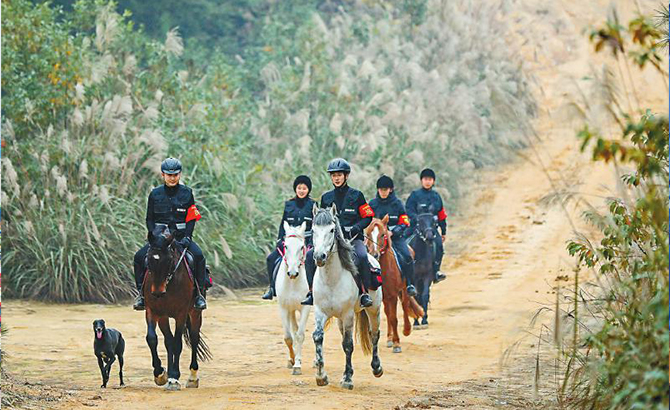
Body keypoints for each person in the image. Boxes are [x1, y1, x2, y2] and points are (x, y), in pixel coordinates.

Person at [132, 158, 208, 311]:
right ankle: (141, 295)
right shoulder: (155, 194)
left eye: (175, 175)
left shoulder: (187, 193)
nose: (172, 178)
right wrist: (154, 238)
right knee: (138, 257)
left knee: (199, 257)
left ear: (179, 175)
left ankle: (199, 295)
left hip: (180, 238)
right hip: (160, 241)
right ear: (163, 175)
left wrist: (188, 237)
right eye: (169, 175)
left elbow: (191, 218)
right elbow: (149, 219)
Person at [302, 158, 374, 307]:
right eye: (333, 175)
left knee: (361, 256)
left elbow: (368, 216)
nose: (336, 178)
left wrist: (356, 227)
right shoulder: (326, 198)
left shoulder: (357, 196)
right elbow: (321, 221)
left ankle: (364, 293)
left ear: (346, 176)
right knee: (310, 256)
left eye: (339, 175)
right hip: (330, 241)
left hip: (352, 239)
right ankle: (311, 292)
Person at [262, 175, 317, 300]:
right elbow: (283, 224)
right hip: (289, 241)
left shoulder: (313, 205)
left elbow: (315, 226)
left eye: (304, 188)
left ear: (308, 190)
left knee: (312, 261)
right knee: (271, 258)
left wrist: (312, 243)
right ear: (295, 189)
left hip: (306, 242)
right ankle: (272, 289)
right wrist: (279, 240)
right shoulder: (289, 204)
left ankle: (312, 290)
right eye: (299, 188)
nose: (301, 190)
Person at [368, 175, 418, 297]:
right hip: (375, 238)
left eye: (385, 189)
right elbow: (366, 220)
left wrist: (393, 232)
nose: (383, 192)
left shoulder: (397, 204)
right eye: (381, 189)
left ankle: (409, 284)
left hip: (395, 237)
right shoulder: (372, 204)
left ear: (390, 190)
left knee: (407, 256)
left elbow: (405, 221)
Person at [405, 168, 448, 283]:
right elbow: (408, 209)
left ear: (433, 181)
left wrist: (443, 231)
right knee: (403, 242)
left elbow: (441, 214)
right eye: (425, 179)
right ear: (421, 181)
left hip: (431, 229)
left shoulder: (436, 196)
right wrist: (415, 218)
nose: (427, 182)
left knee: (439, 245)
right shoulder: (415, 195)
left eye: (430, 179)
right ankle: (404, 270)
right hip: (416, 227)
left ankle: (436, 271)